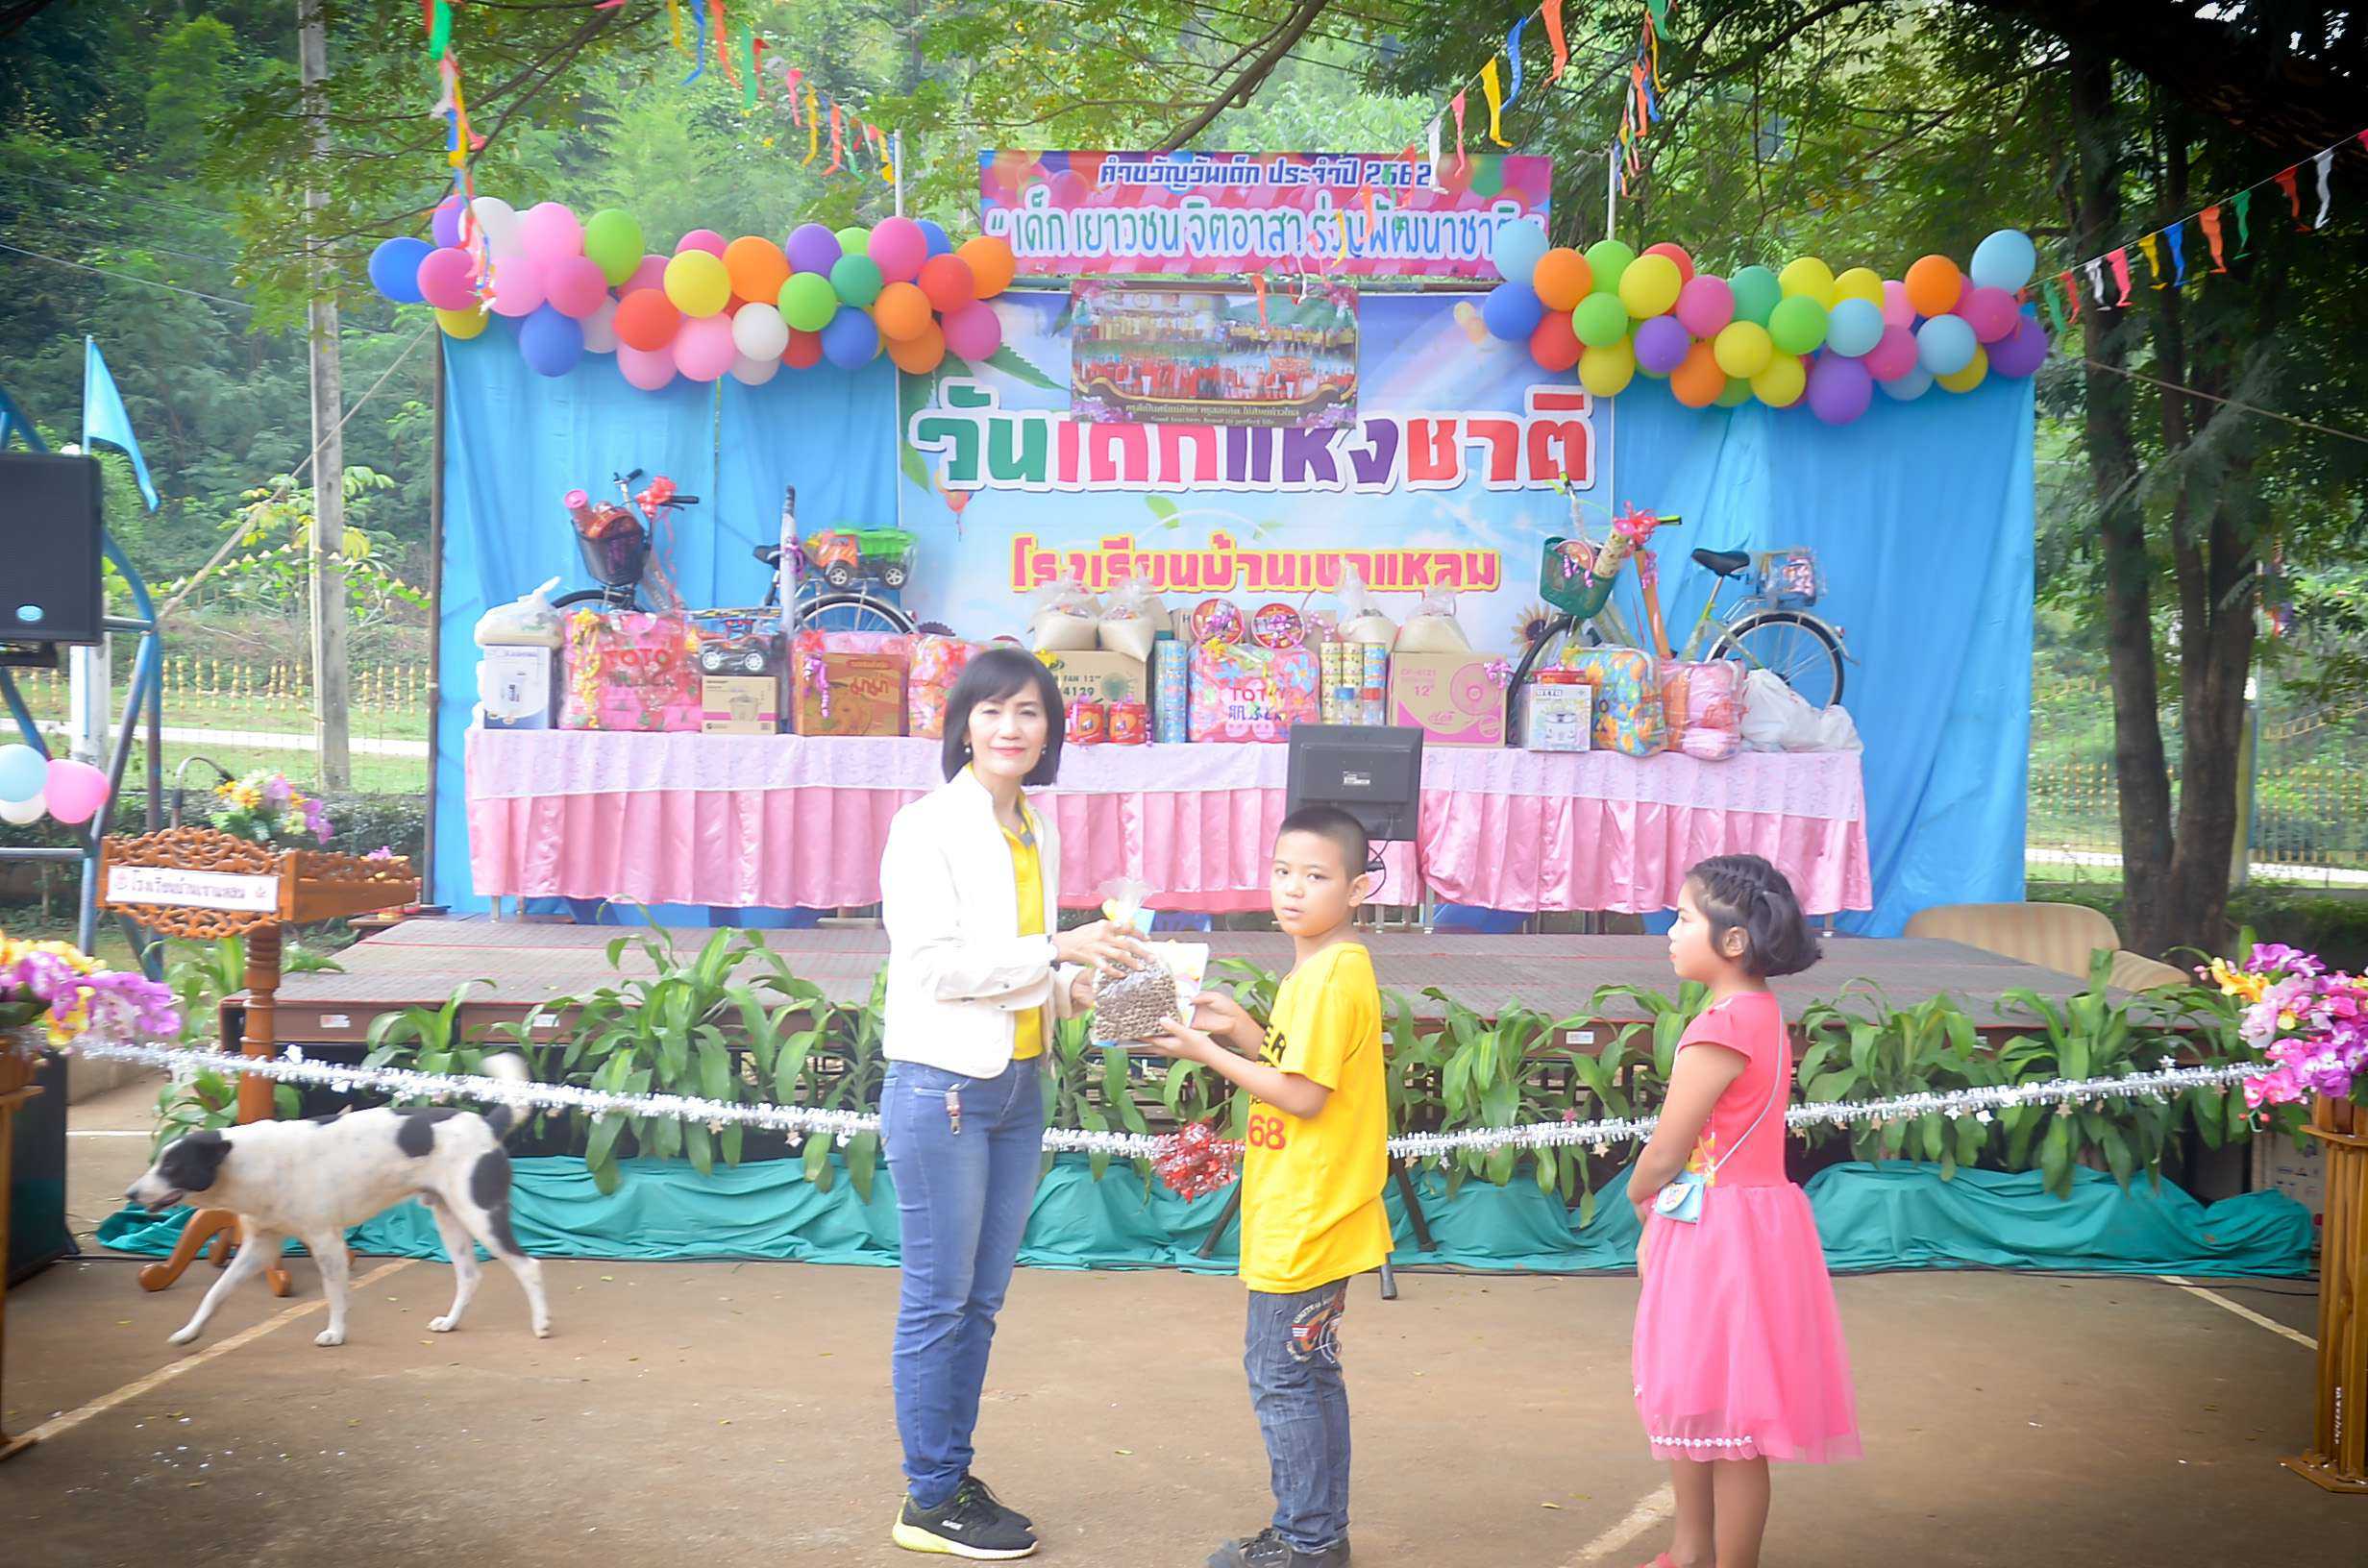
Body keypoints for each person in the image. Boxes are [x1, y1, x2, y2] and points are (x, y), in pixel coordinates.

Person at [877, 646, 1149, 1560]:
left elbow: (1026, 973)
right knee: (939, 1302)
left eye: (1029, 712)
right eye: (991, 711)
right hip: (944, 1087)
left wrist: (1098, 987)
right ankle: (929, 1497)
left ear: (1050, 732)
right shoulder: (927, 826)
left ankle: (948, 1476)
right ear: (962, 725)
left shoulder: (1035, 827)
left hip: (1018, 1086)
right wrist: (1059, 949)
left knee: (981, 1303)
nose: (1009, 727)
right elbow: (934, 968)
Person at [1147, 805, 1392, 1568]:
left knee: (1282, 1377)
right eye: (1283, 871)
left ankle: (1306, 1541)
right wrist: (1240, 1029)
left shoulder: (1325, 979)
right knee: (1307, 1373)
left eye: (1316, 876)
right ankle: (1317, 1533)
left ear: (1357, 889)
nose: (1292, 888)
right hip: (1318, 1204)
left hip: (1306, 1210)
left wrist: (1202, 1050)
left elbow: (1302, 1096)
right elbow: (1300, 1064)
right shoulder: (1328, 968)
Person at [1626, 854, 1861, 1568]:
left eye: (1683, 918)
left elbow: (1667, 1150)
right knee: (1706, 1398)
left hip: (1715, 1229)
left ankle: (1708, 1555)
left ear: (1732, 941)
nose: (1670, 932)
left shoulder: (1717, 1029)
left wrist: (1638, 1196)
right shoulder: (1760, 1011)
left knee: (1723, 1413)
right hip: (1754, 1220)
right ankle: (1691, 1551)